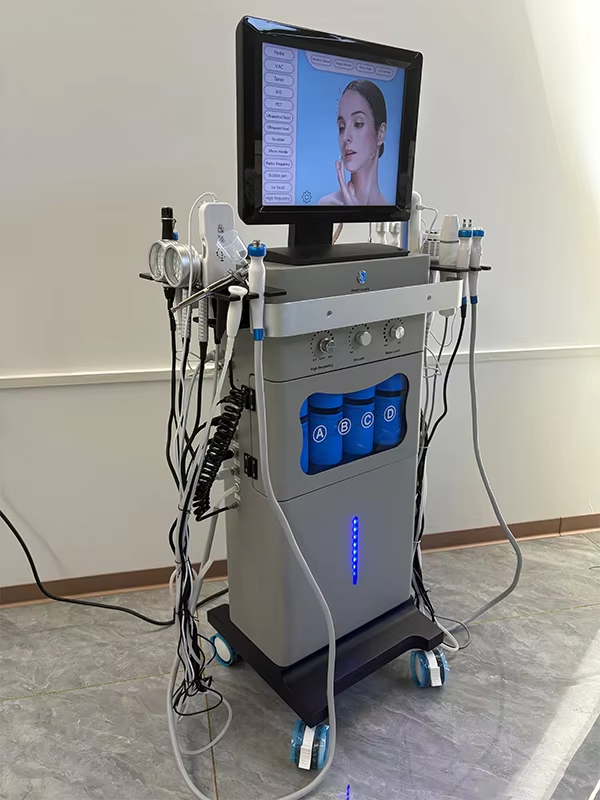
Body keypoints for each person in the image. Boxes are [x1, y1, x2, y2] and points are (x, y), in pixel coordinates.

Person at [319, 79, 389, 206]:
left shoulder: (391, 210)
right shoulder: (327, 204)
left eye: (358, 124)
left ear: (380, 133)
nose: (346, 137)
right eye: (341, 127)